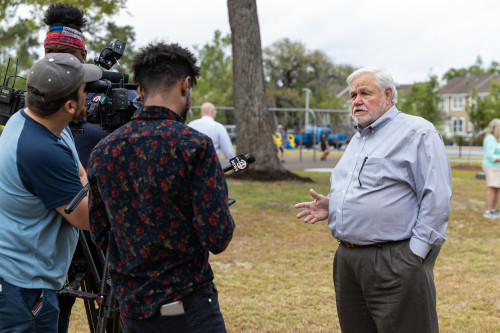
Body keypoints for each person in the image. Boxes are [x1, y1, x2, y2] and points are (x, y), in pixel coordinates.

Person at [87, 42, 235, 332]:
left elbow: (101, 232)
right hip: (190, 307)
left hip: (132, 309)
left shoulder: (104, 151)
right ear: (185, 85)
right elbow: (217, 237)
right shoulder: (195, 147)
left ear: (140, 91)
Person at [295, 67, 452, 333]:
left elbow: (436, 198)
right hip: (348, 261)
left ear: (388, 95)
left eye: (365, 93)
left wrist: (414, 255)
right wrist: (333, 205)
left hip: (396, 260)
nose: (356, 100)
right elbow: (371, 188)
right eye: (353, 94)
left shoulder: (417, 132)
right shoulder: (358, 139)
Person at [0, 53, 101, 332]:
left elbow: (80, 174)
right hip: (23, 292)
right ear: (70, 105)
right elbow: (88, 218)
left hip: (21, 280)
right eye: (84, 90)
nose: (89, 96)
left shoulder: (38, 122)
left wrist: (85, 187)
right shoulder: (40, 150)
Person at [482, 118, 500, 219]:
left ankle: (494, 210)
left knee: (497, 188)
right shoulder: (490, 138)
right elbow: (490, 155)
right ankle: (488, 211)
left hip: (497, 168)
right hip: (491, 167)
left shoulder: (496, 139)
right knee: (492, 188)